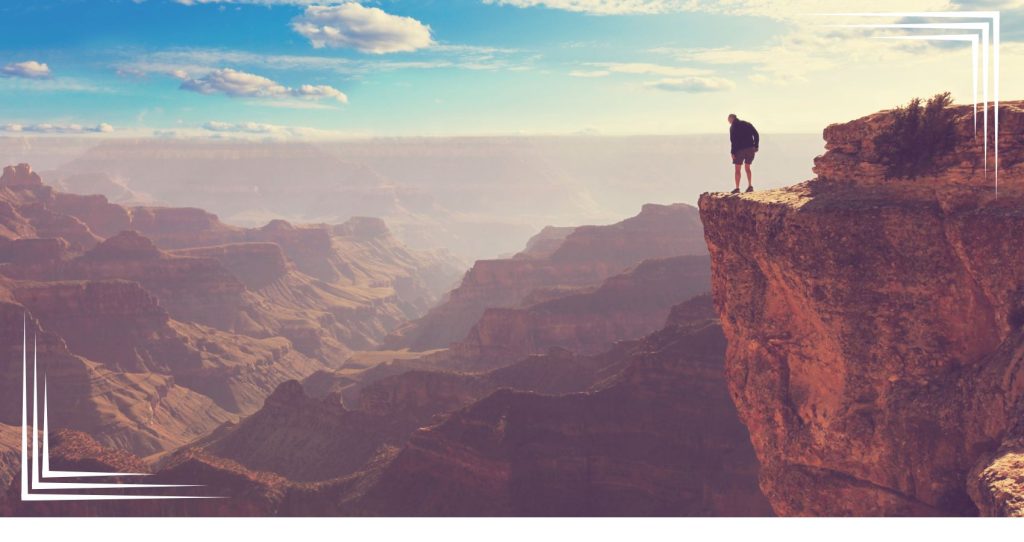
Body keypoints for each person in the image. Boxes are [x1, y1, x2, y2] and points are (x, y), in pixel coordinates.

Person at [727, 113, 759, 194]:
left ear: (731, 118)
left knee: (737, 170)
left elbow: (733, 141)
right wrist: (756, 146)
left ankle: (737, 188)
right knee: (747, 168)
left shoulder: (733, 127)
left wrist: (732, 152)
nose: (728, 121)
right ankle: (750, 186)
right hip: (750, 149)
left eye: (728, 119)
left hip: (739, 150)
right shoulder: (747, 124)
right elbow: (756, 134)